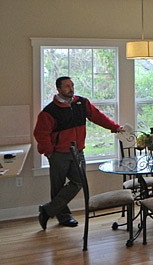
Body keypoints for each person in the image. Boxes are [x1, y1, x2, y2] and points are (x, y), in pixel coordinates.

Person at [34, 76, 124, 229]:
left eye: (72, 85)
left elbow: (97, 116)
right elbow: (40, 134)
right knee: (57, 186)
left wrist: (114, 127)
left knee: (79, 181)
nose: (71, 89)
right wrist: (49, 152)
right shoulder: (49, 111)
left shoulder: (81, 103)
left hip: (78, 151)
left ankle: (47, 210)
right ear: (59, 89)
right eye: (67, 86)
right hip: (58, 153)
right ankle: (63, 217)